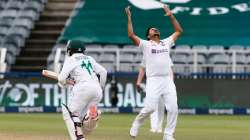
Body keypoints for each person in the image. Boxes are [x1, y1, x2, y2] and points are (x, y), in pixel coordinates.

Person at [125, 4, 183, 140]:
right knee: (150, 108)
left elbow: (179, 31)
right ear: (148, 36)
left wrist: (172, 16)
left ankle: (168, 135)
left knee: (173, 108)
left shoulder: (166, 42)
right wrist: (129, 18)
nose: (155, 29)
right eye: (152, 29)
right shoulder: (146, 44)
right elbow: (131, 35)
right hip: (153, 80)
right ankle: (137, 122)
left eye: (155, 29)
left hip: (167, 80)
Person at [58, 40, 107, 140]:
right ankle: (90, 117)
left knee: (69, 112)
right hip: (96, 90)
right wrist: (100, 87)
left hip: (82, 88)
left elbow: (61, 78)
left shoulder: (71, 59)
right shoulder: (89, 58)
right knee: (81, 122)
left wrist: (65, 82)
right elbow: (103, 72)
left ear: (70, 50)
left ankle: (79, 138)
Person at [136, 57, 175, 134]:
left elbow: (170, 71)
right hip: (152, 84)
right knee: (151, 106)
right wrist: (138, 82)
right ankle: (153, 127)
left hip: (164, 84)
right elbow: (142, 69)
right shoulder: (147, 55)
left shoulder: (165, 54)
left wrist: (171, 83)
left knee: (161, 106)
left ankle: (159, 127)